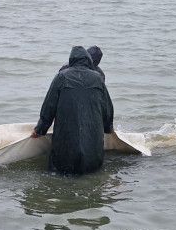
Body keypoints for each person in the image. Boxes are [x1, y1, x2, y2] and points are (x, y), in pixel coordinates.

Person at [30, 45, 115, 174]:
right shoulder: (98, 78)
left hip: (65, 150)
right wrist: (109, 128)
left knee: (60, 173)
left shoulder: (62, 76)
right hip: (93, 152)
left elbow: (49, 106)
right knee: (91, 174)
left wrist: (40, 130)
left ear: (72, 60)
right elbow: (107, 108)